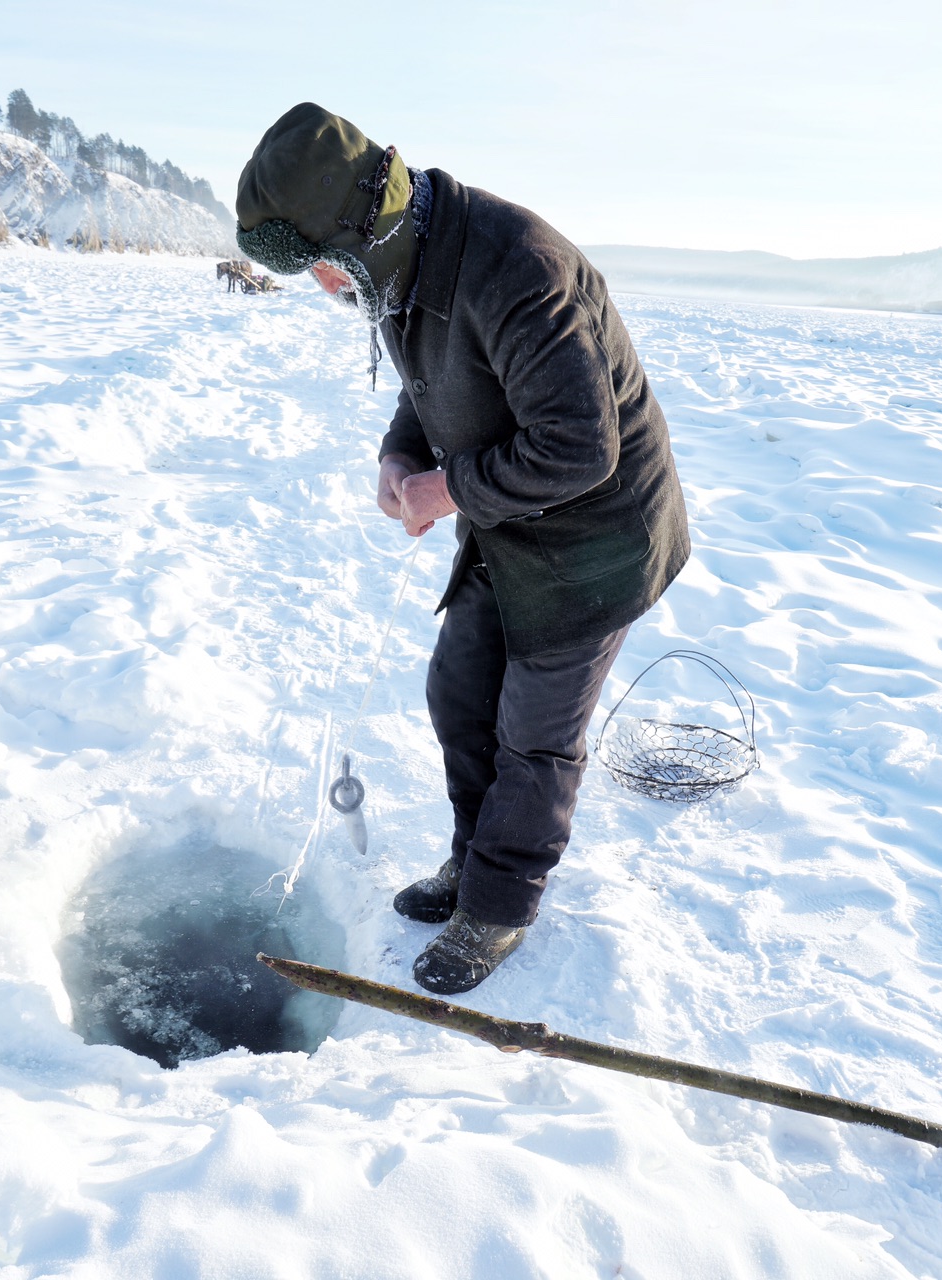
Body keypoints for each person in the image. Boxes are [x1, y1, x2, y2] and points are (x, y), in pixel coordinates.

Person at [236, 104, 690, 994]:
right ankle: (471, 859)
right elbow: (433, 376)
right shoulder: (410, 258)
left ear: (359, 234)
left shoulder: (517, 268)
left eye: (324, 267)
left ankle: (501, 904)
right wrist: (400, 454)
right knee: (458, 689)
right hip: (513, 519)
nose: (326, 289)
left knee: (535, 735)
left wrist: (446, 489)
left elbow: (578, 447)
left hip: (599, 537)